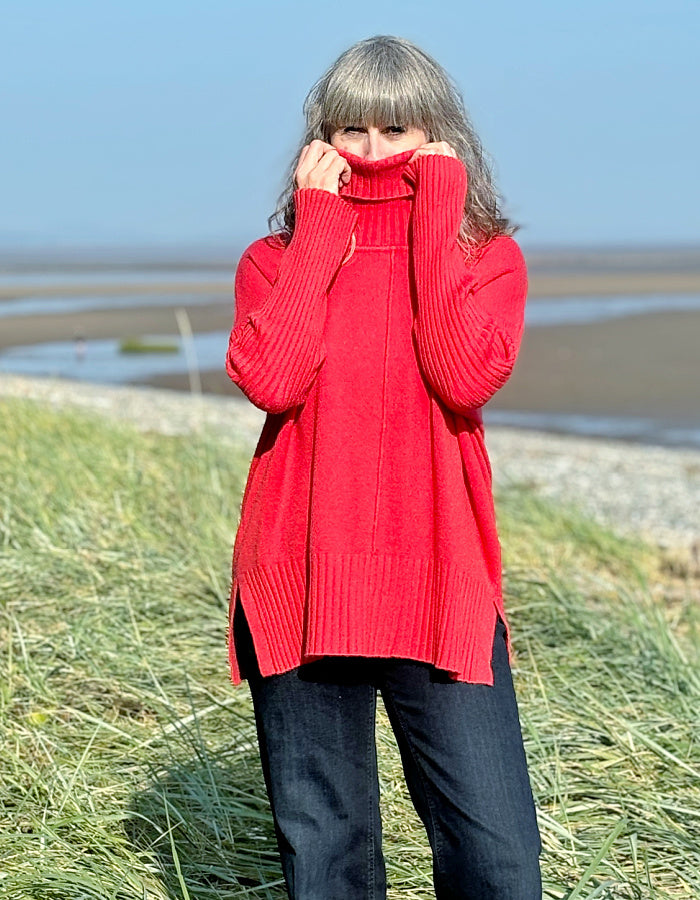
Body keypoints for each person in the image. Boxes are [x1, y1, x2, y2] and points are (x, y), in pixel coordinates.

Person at [225, 34, 542, 899]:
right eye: (350, 132)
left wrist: (436, 221)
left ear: (439, 138)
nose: (370, 154)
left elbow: (465, 373)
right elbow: (274, 379)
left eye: (395, 130)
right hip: (299, 577)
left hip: (438, 582)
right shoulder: (277, 262)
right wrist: (323, 232)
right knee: (326, 859)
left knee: (498, 862)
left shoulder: (486, 258)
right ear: (318, 144)